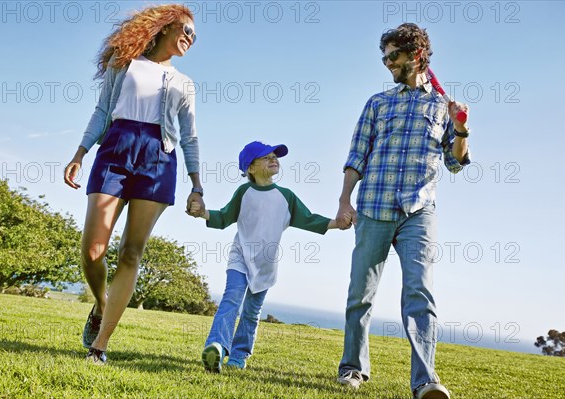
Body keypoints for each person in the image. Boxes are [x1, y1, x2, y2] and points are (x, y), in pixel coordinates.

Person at [335, 23, 471, 399]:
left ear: (416, 55)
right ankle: (352, 369)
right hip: (374, 208)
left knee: (419, 293)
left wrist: (461, 130)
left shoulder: (442, 107)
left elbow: (456, 163)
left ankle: (425, 381)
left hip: (419, 211)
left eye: (393, 55)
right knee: (360, 293)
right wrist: (345, 200)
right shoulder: (378, 104)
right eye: (384, 57)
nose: (387, 63)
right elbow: (356, 156)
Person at [63, 4, 204, 365]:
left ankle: (101, 345)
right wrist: (80, 153)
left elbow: (189, 137)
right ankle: (100, 303)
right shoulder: (123, 64)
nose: (190, 38)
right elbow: (101, 110)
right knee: (93, 248)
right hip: (115, 148)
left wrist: (196, 184)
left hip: (159, 159)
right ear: (165, 28)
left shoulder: (185, 83)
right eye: (186, 30)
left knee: (131, 253)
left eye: (194, 36)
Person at [189, 141, 348, 372]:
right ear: (250, 169)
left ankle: (238, 357)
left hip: (266, 265)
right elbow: (223, 217)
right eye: (266, 157)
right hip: (240, 257)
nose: (274, 160)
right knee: (231, 299)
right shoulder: (244, 192)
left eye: (275, 156)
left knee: (252, 312)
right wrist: (201, 213)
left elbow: (309, 219)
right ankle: (217, 346)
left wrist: (338, 223)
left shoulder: (286, 196)